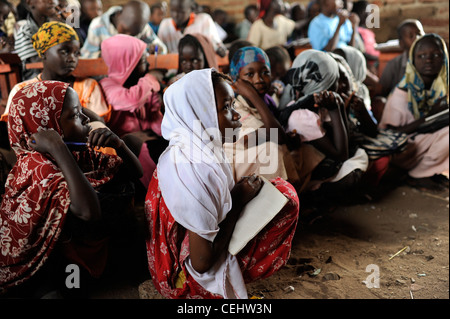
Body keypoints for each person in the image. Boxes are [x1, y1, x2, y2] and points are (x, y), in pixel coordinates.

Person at [144, 68, 299, 299]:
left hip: (180, 253)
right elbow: (201, 263)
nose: (236, 115)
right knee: (287, 199)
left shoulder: (193, 146)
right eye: (226, 108)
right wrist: (238, 200)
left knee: (278, 190)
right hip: (183, 277)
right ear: (199, 115)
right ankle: (207, 292)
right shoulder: (195, 168)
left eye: (233, 105)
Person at [0, 80, 143, 297]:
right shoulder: (37, 167)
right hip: (48, 263)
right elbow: (89, 212)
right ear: (49, 129)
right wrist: (58, 148)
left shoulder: (78, 152)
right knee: (64, 289)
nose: (87, 119)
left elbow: (135, 174)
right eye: (76, 115)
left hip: (80, 249)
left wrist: (119, 145)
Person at [279, 49, 369, 194]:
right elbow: (341, 154)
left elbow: (346, 137)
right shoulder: (301, 116)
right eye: (335, 80)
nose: (339, 85)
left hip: (319, 164)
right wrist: (336, 110)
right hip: (305, 174)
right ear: (327, 83)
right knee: (354, 171)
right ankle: (314, 194)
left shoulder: (314, 105)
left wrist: (338, 107)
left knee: (361, 155)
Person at [1, 21, 110, 124]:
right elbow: (13, 129)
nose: (72, 58)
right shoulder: (22, 90)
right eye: (64, 52)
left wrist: (70, 106)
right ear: (43, 53)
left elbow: (99, 126)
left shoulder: (87, 86)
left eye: (76, 53)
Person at [379, 34, 449, 191]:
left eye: (436, 55)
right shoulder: (403, 92)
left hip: (422, 140)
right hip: (400, 149)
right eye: (421, 56)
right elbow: (390, 135)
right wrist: (431, 116)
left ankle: (431, 170)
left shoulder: (441, 88)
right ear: (413, 60)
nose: (428, 60)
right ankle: (417, 174)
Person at [99, 34, 166, 189]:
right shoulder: (107, 85)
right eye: (142, 62)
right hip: (125, 148)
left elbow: (154, 116)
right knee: (137, 145)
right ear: (128, 64)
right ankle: (155, 191)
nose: (147, 66)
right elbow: (132, 100)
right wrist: (151, 79)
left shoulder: (140, 83)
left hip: (148, 137)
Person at [225, 46, 298, 184]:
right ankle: (279, 199)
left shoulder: (267, 100)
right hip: (236, 169)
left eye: (265, 72)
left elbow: (276, 135)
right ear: (236, 81)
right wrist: (253, 96)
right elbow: (277, 136)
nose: (259, 79)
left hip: (253, 163)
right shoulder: (235, 108)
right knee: (272, 150)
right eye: (250, 74)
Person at [81, 0, 167, 59]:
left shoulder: (141, 27)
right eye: (124, 30)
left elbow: (161, 48)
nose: (127, 36)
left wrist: (156, 49)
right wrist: (108, 55)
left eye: (133, 34)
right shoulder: (98, 26)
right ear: (118, 15)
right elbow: (86, 56)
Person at [157, 0, 226, 57]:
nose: (175, 15)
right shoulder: (165, 25)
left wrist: (219, 48)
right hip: (172, 69)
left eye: (181, 12)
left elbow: (216, 44)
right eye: (172, 10)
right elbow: (159, 49)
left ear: (191, 9)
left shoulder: (204, 20)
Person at [13, 0, 62, 80]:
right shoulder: (25, 31)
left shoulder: (58, 24)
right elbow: (36, 62)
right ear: (30, 2)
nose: (52, 1)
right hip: (35, 80)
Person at [378, 19, 425, 98]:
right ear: (401, 43)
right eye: (411, 36)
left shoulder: (431, 61)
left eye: (419, 34)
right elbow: (383, 91)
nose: (417, 38)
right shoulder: (393, 65)